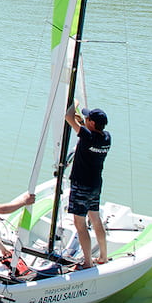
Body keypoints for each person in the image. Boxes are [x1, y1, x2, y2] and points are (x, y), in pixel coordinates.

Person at [65, 106, 111, 268]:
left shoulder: (87, 136)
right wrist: (82, 121)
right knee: (95, 219)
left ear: (91, 122)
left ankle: (87, 262)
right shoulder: (106, 138)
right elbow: (83, 128)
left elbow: (68, 116)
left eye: (87, 118)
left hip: (81, 185)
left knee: (80, 224)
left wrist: (72, 103)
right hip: (95, 185)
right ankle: (104, 256)